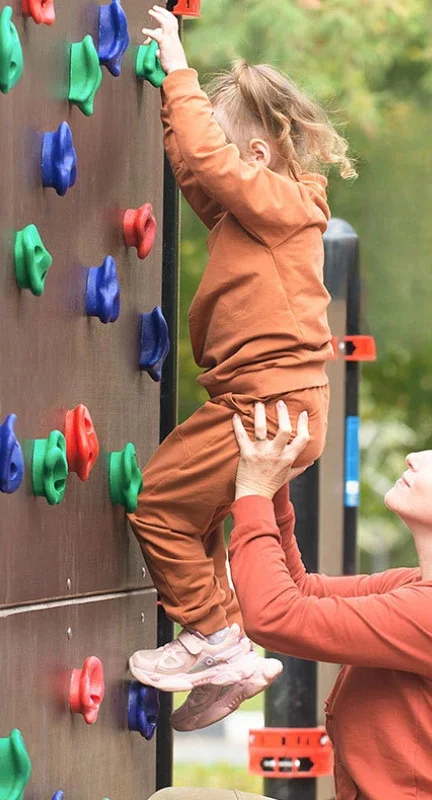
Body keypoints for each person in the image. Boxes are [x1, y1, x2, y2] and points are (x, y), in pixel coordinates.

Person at [154, 402, 432, 800]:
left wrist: (251, 493)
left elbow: (275, 617)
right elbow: (302, 592)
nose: (415, 457)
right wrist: (274, 484)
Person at [126, 6, 356, 733]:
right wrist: (172, 104)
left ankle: (216, 640)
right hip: (272, 404)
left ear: (255, 157)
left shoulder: (283, 206)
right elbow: (201, 173)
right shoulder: (252, 214)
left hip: (265, 405)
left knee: (160, 506)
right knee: (194, 523)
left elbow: (214, 167)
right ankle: (230, 658)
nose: (215, 166)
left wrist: (182, 75)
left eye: (228, 151)